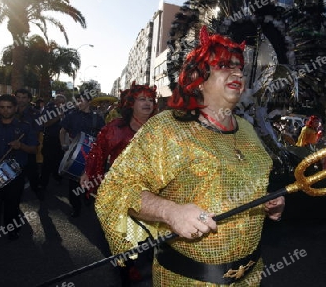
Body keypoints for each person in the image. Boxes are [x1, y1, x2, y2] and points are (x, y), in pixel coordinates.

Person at [95, 26, 284, 286]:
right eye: (224, 66)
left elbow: (241, 188)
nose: (238, 73)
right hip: (187, 280)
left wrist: (266, 204)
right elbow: (116, 188)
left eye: (240, 67)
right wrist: (169, 211)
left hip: (250, 277)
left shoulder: (249, 130)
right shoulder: (167, 127)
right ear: (197, 75)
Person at [80, 83, 157, 286]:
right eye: (142, 99)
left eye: (150, 99)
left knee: (150, 243)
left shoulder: (160, 129)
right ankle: (126, 273)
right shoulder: (114, 128)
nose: (148, 103)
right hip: (120, 194)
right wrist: (88, 173)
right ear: (131, 104)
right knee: (122, 243)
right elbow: (97, 152)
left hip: (152, 194)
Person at [0, 94, 38, 257]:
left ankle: (12, 229)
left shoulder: (25, 127)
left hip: (15, 174)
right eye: (2, 107)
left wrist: (21, 146)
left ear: (15, 108)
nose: (5, 110)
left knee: (12, 206)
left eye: (9, 107)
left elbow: (33, 149)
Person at [59, 92, 105, 218]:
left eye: (81, 100)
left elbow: (104, 136)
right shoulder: (71, 115)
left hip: (92, 156)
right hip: (75, 154)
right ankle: (76, 207)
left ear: (89, 102)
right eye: (77, 100)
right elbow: (62, 131)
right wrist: (64, 145)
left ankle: (87, 198)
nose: (78, 103)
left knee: (89, 181)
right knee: (73, 184)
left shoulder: (97, 118)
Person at [15, 88, 41, 194]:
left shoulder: (35, 113)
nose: (21, 100)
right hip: (13, 148)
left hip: (29, 147)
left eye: (24, 98)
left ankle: (37, 190)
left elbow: (37, 130)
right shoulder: (10, 110)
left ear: (29, 99)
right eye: (18, 97)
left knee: (32, 172)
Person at [38, 94, 66, 190]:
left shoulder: (67, 110)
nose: (61, 104)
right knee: (47, 161)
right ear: (55, 101)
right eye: (59, 102)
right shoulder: (49, 109)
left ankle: (57, 177)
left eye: (63, 102)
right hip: (50, 139)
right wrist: (59, 116)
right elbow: (45, 123)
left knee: (59, 160)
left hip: (61, 140)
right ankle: (43, 184)